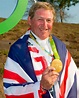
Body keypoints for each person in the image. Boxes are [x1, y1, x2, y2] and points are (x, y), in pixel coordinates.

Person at [3, 1, 79, 98]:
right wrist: (41, 86)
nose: (45, 25)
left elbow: (73, 78)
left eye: (48, 20)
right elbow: (10, 90)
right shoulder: (18, 50)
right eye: (40, 19)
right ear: (30, 20)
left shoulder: (60, 46)